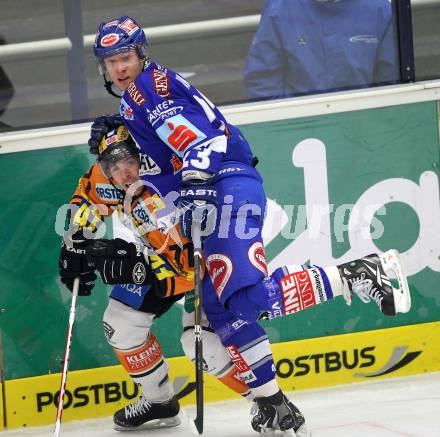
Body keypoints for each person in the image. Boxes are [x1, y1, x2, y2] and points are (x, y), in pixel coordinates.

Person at [86, 15, 411, 435]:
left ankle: (359, 272)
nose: (118, 68)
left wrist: (196, 182)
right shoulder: (134, 101)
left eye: (125, 57)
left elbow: (204, 142)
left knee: (245, 297)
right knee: (222, 313)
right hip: (211, 191)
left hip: (225, 186)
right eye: (110, 62)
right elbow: (162, 156)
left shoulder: (148, 90)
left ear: (141, 55)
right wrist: (124, 132)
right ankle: (273, 405)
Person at [58, 126, 252, 431]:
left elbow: (188, 258)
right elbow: (88, 199)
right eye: (114, 168)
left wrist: (139, 265)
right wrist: (75, 243)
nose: (123, 175)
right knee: (120, 323)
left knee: (202, 343)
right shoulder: (111, 174)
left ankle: (267, 403)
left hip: (208, 259)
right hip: (162, 261)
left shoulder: (169, 170)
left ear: (143, 157)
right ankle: (160, 402)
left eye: (129, 164)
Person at [243, 0, 399, 101]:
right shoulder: (280, 8)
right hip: (298, 123)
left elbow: (390, 83)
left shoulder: (379, 9)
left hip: (361, 121)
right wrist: (288, 122)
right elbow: (262, 82)